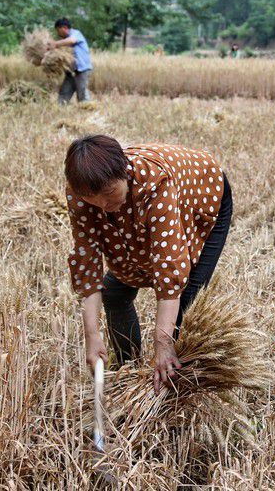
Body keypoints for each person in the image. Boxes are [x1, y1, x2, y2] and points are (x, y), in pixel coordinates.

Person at [64, 135, 233, 392]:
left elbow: (168, 268)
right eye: (92, 199)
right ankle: (128, 370)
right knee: (116, 292)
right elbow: (87, 263)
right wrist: (92, 335)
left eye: (109, 193)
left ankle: (174, 394)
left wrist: (162, 344)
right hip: (144, 204)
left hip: (203, 197)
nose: (102, 205)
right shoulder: (81, 193)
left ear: (125, 172)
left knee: (184, 305)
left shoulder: (154, 184)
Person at [49, 17, 93, 104]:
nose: (58, 33)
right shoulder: (64, 41)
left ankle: (87, 111)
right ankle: (59, 110)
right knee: (64, 94)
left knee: (82, 95)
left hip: (82, 69)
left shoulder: (76, 33)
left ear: (64, 28)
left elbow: (72, 41)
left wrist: (55, 44)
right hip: (71, 71)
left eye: (58, 30)